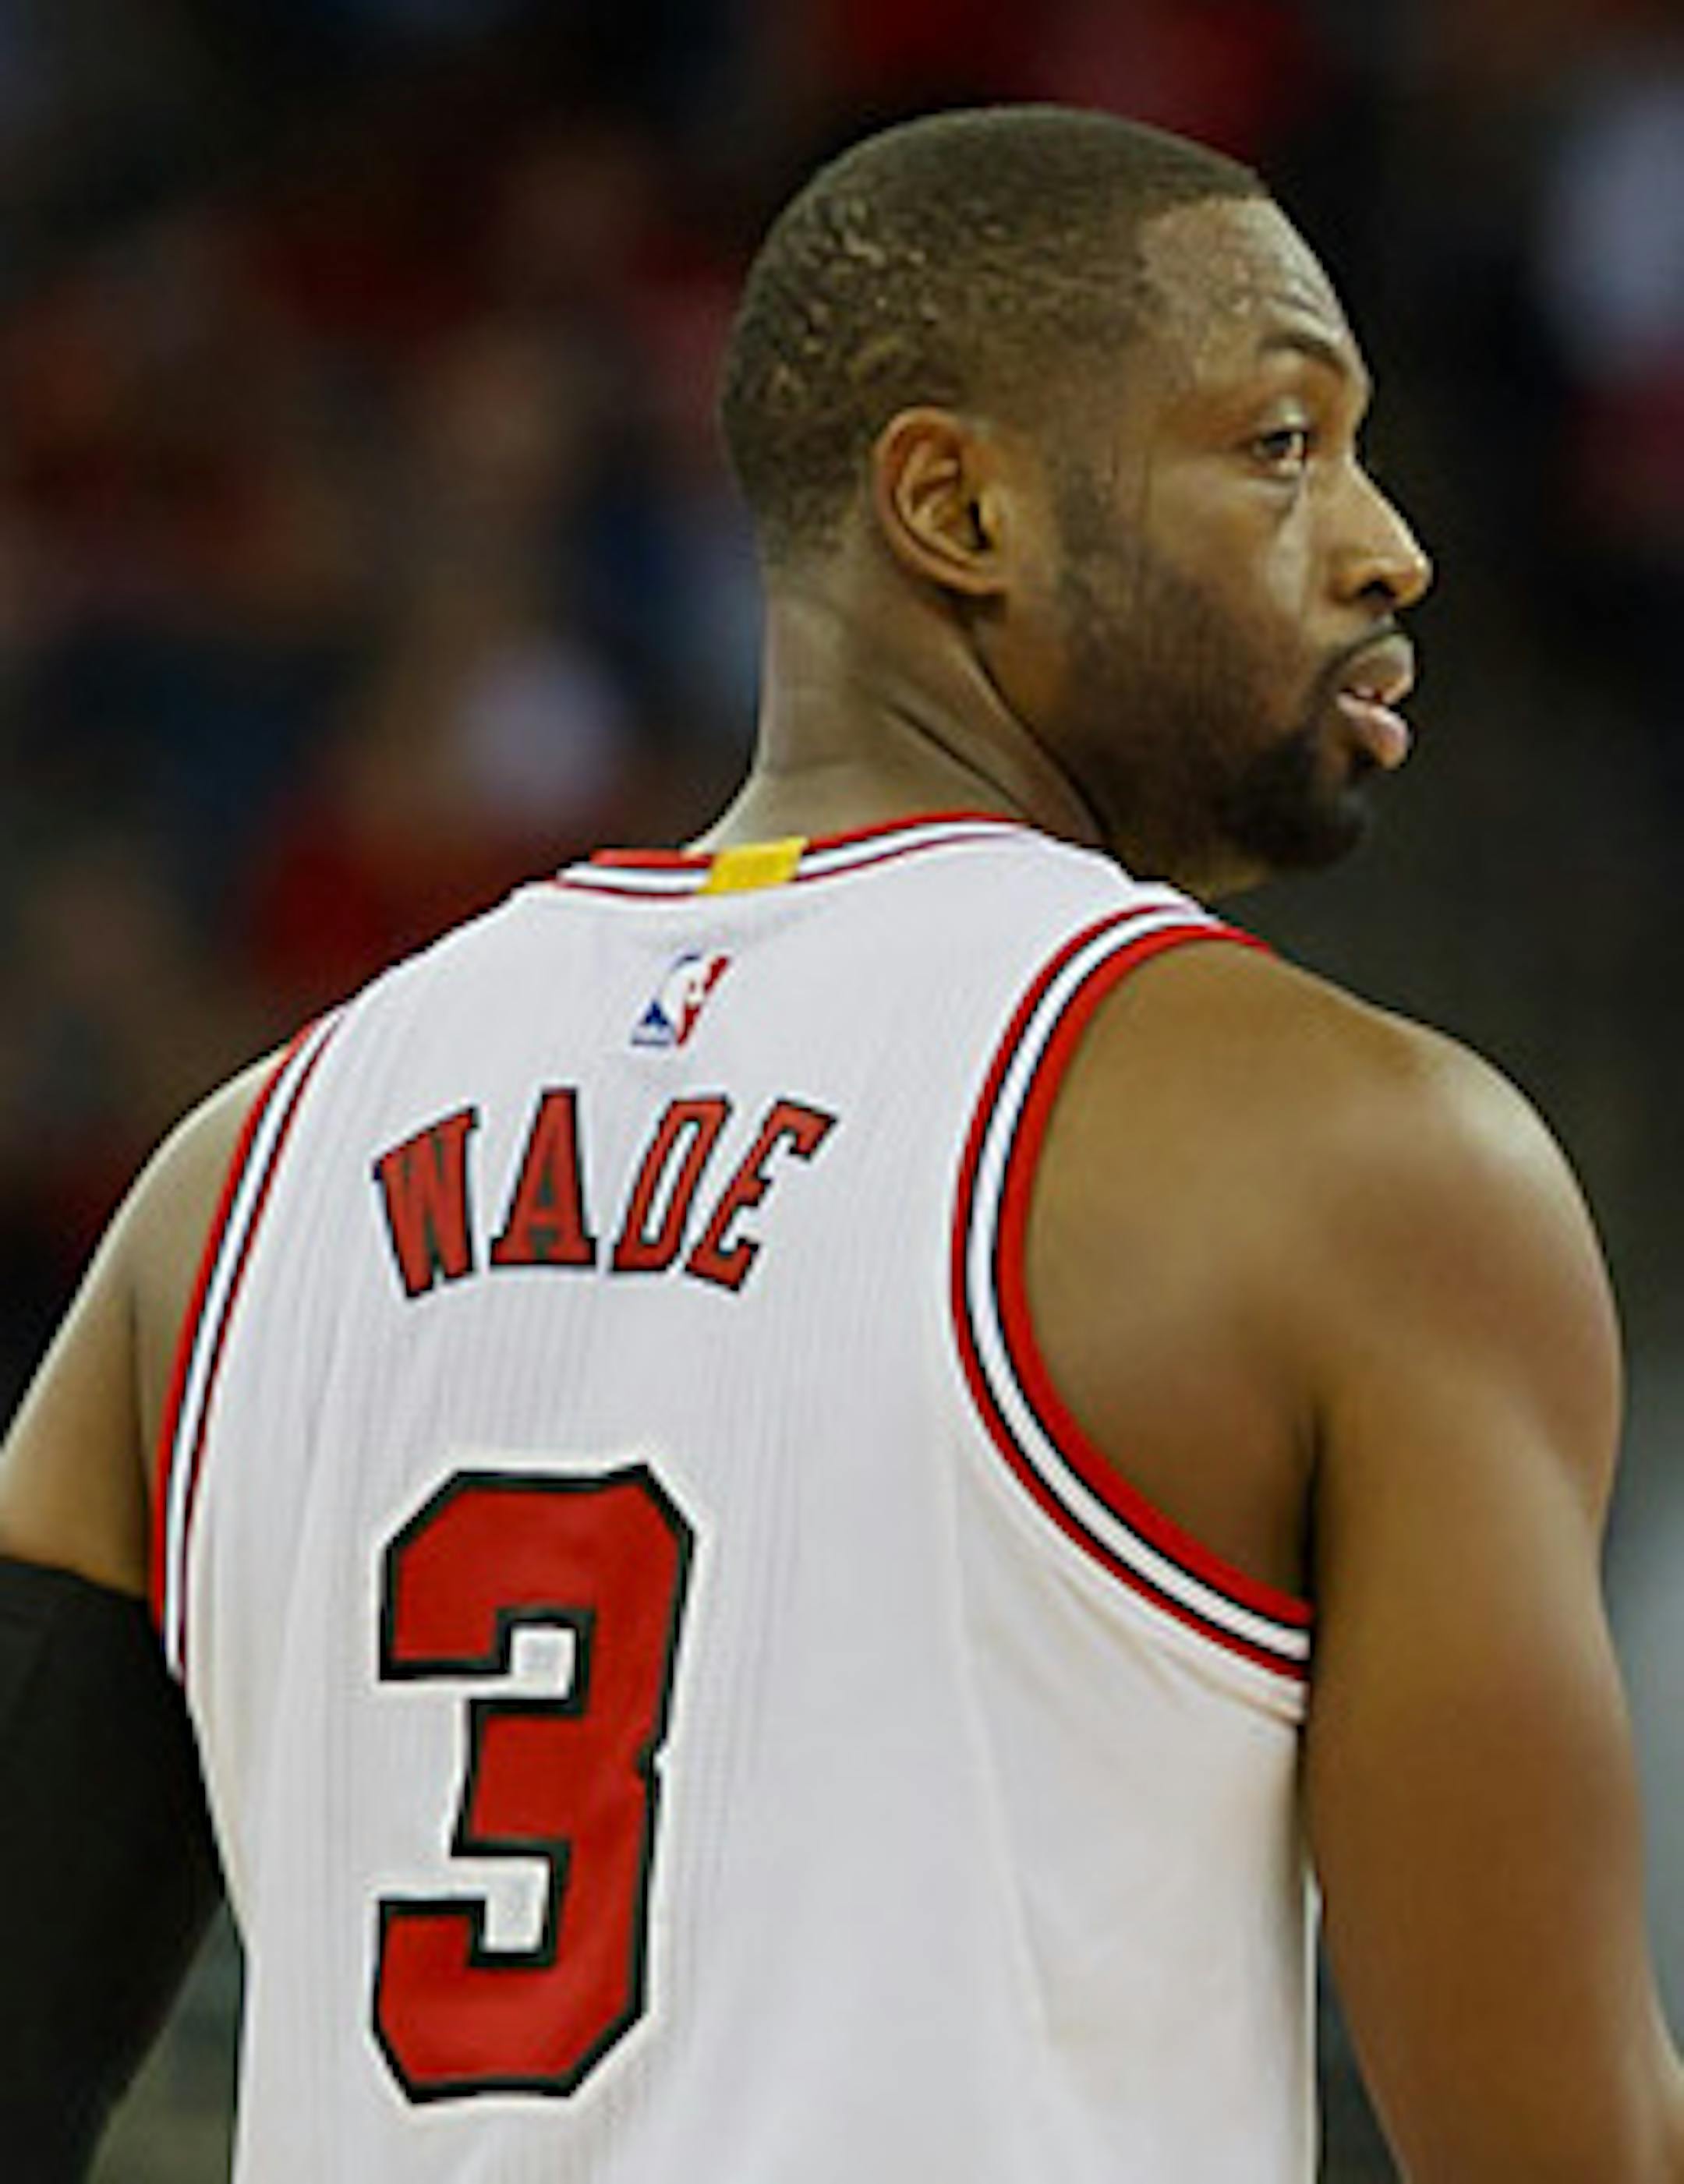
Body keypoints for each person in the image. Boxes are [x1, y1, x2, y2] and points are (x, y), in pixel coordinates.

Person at [2, 102, 1680, 2182]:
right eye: (1279, 442)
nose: (1388, 538)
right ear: (954, 506)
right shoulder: (1370, 1168)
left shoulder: (229, 1185)